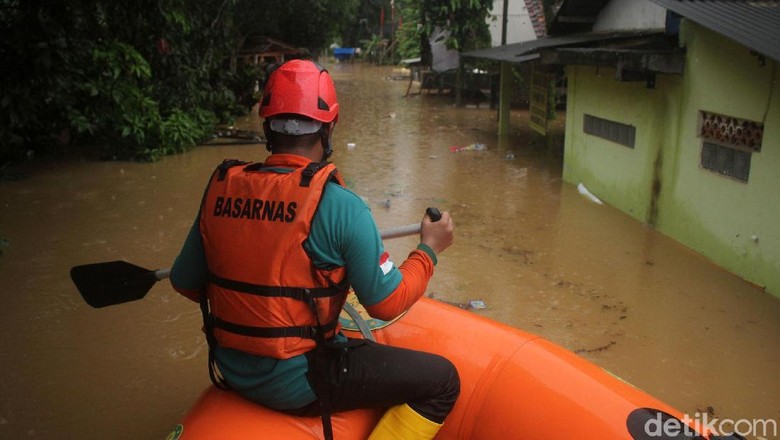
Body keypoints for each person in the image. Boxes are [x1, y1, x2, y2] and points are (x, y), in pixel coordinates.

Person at [169, 59, 459, 440]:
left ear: (267, 127)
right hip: (298, 381)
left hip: (232, 368)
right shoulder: (342, 206)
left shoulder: (221, 188)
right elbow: (385, 303)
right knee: (443, 381)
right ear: (329, 127)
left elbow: (185, 282)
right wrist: (429, 249)